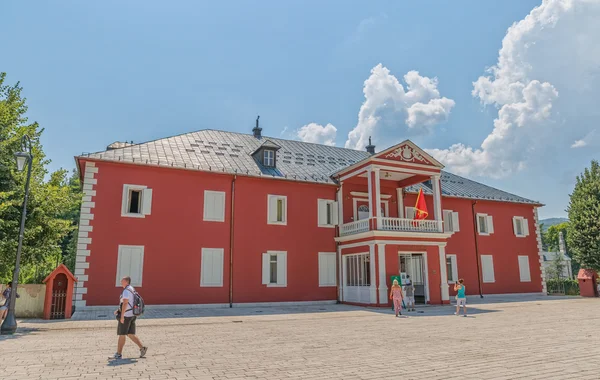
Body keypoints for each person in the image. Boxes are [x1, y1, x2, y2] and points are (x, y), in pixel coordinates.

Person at [112, 276, 148, 359]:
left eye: (122, 280)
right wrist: (118, 310)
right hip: (132, 315)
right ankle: (142, 348)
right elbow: (129, 303)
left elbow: (125, 303)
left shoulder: (126, 291)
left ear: (126, 281)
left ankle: (118, 353)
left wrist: (122, 316)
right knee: (130, 334)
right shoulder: (132, 289)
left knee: (122, 334)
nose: (121, 282)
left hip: (126, 316)